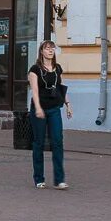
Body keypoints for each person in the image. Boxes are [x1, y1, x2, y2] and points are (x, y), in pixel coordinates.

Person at [27, 40, 72, 189]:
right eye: (47, 48)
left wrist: (68, 104)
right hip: (39, 110)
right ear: (41, 52)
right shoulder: (34, 70)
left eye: (52, 48)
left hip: (54, 109)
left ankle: (59, 180)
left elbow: (60, 88)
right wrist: (38, 108)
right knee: (39, 143)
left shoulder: (57, 68)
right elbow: (34, 91)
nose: (50, 51)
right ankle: (39, 178)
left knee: (58, 141)